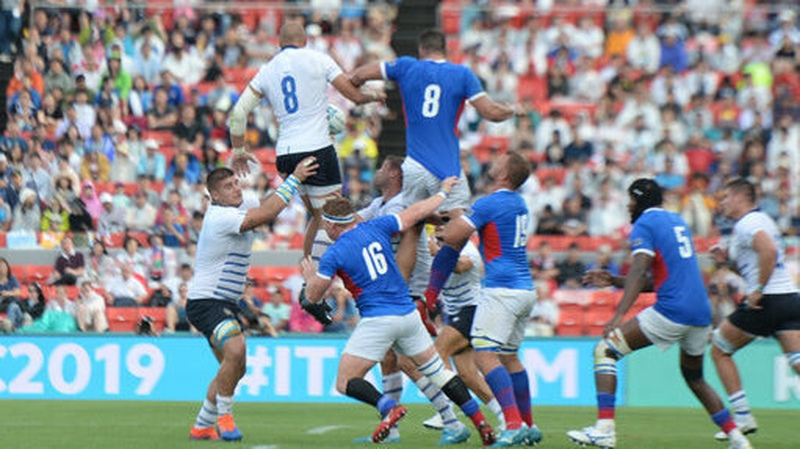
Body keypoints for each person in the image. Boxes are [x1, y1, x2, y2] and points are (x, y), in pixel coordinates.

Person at [300, 177, 496, 446]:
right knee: (439, 372)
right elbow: (416, 212)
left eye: (325, 226)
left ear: (333, 225)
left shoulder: (335, 252)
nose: (325, 230)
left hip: (378, 318)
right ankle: (480, 423)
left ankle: (388, 408)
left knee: (345, 381)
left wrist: (309, 277)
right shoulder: (377, 225)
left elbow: (313, 296)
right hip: (407, 314)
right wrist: (442, 192)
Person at [568, 178, 752, 449]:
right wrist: (613, 280)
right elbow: (660, 280)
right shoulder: (677, 221)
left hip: (673, 310)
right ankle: (737, 438)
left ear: (639, 199)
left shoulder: (645, 224)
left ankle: (605, 429)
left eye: (631, 199)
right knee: (695, 377)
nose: (628, 205)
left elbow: (640, 270)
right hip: (701, 312)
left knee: (605, 350)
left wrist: (619, 315)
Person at [186, 158, 317, 441]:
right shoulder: (220, 217)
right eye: (228, 186)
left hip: (224, 302)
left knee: (234, 368)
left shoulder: (238, 203)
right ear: (215, 196)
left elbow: (268, 201)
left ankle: (202, 425)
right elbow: (266, 213)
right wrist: (293, 179)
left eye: (236, 183)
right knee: (236, 349)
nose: (236, 188)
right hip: (206, 301)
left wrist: (283, 173)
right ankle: (225, 419)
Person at [227, 21, 383, 258]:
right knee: (334, 216)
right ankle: (317, 282)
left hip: (286, 155)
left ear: (280, 43)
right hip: (317, 148)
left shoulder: (267, 69)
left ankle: (308, 270)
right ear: (305, 41)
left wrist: (238, 150)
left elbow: (238, 114)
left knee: (319, 217)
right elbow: (353, 95)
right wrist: (373, 96)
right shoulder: (318, 59)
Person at [424, 152, 541, 446]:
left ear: (504, 174)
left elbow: (453, 237)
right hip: (525, 289)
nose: (493, 161)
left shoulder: (491, 202)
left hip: (501, 289)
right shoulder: (519, 203)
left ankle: (511, 425)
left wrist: (436, 217)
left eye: (500, 161)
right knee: (510, 358)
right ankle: (528, 424)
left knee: (483, 355)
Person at [350, 28, 518, 217]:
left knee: (413, 227)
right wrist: (512, 110)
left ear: (421, 50)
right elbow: (492, 113)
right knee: (456, 222)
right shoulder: (462, 74)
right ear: (444, 50)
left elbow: (359, 75)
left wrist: (362, 96)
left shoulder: (406, 66)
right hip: (448, 167)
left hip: (415, 164)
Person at [710, 178, 800, 442]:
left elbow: (769, 250)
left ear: (740, 197)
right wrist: (726, 262)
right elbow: (753, 263)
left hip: (767, 301)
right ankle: (742, 416)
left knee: (719, 349)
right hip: (788, 300)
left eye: (726, 197)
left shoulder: (748, 223)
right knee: (797, 362)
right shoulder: (763, 221)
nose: (723, 202)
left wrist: (759, 288)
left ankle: (742, 415)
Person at [427, 209, 508, 430]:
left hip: (471, 310)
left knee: (437, 353)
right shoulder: (434, 249)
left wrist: (436, 253)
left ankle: (448, 410)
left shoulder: (466, 247)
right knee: (469, 376)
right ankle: (506, 418)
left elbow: (463, 265)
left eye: (447, 222)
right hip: (455, 314)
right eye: (438, 223)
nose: (441, 226)